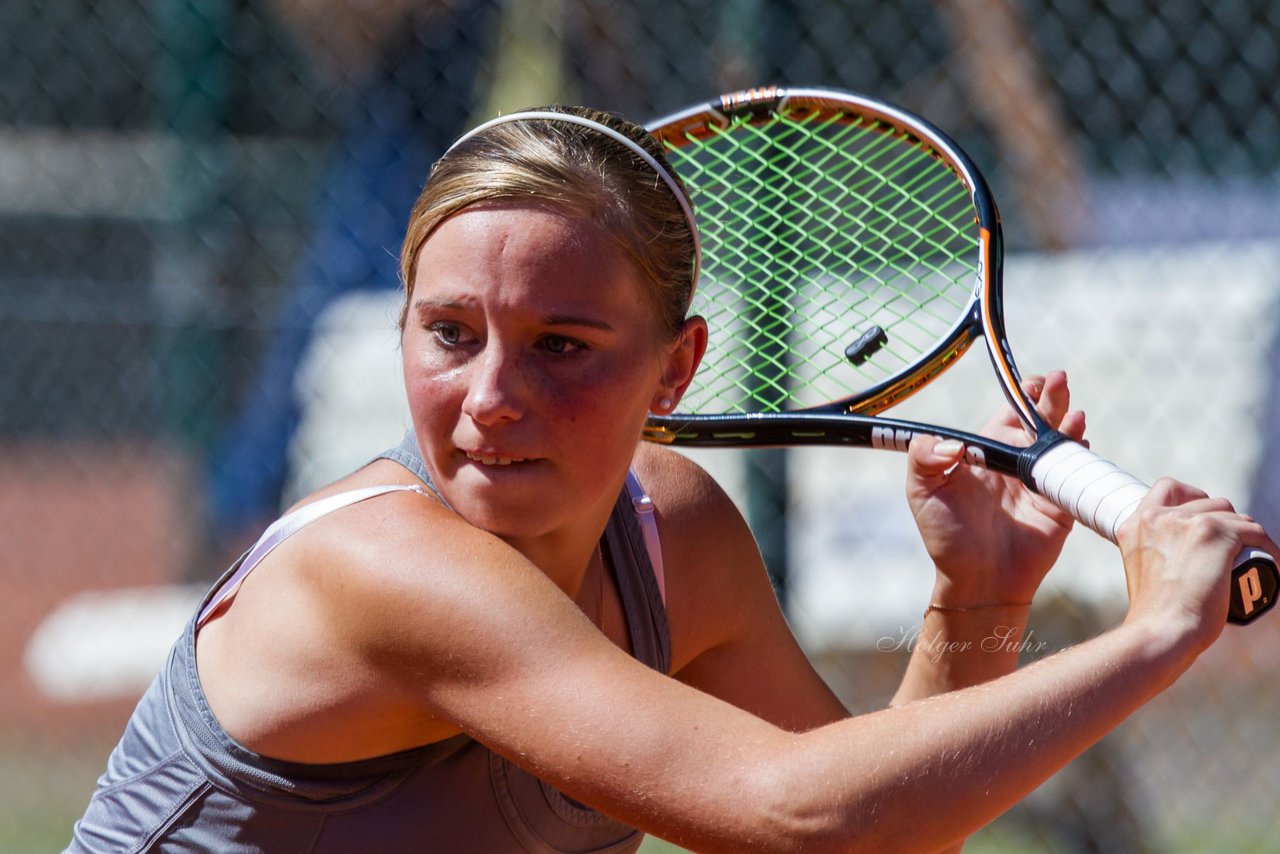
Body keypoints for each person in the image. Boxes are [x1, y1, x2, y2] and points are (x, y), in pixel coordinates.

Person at [68, 105, 1276, 853]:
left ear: (676, 364)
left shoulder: (670, 534)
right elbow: (794, 813)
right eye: (447, 332)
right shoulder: (375, 568)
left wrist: (978, 602)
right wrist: (1156, 631)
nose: (490, 393)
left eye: (560, 344)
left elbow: (862, 844)